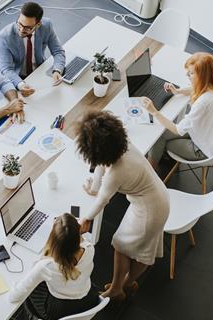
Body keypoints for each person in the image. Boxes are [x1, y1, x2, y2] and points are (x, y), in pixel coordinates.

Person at [75, 111, 170, 301]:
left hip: (149, 210)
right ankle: (126, 283)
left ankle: (118, 289)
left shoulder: (115, 174)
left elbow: (103, 200)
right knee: (143, 247)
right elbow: (102, 165)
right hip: (158, 197)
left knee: (122, 245)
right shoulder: (124, 147)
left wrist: (85, 219)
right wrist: (95, 187)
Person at [143, 52, 213, 171]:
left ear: (203, 76)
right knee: (162, 134)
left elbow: (178, 130)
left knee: (160, 139)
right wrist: (177, 91)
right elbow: (194, 88)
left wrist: (154, 111)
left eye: (191, 73)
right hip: (209, 137)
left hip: (201, 150)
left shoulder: (203, 102)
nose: (187, 75)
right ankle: (153, 162)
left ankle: (151, 170)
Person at [9, 213, 99, 320]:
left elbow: (14, 297)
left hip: (60, 310)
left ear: (54, 240)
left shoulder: (46, 266)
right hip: (89, 299)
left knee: (29, 293)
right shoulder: (89, 249)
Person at [0, 2, 66, 93]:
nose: (21, 30)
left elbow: (58, 51)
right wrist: (21, 85)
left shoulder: (46, 26)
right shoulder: (4, 36)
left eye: (27, 28)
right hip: (17, 78)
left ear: (38, 24)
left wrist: (57, 70)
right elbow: (6, 69)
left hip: (41, 70)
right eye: (19, 24)